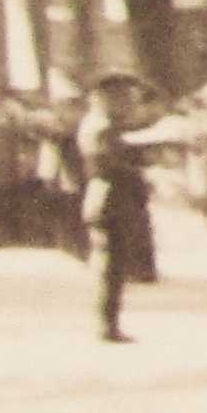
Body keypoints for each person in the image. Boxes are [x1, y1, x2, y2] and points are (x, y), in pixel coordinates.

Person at [84, 70, 158, 340]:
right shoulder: (103, 126)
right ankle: (107, 324)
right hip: (110, 196)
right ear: (109, 98)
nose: (129, 103)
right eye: (124, 97)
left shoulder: (101, 123)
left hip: (108, 195)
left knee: (113, 263)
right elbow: (112, 164)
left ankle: (108, 322)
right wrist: (142, 166)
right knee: (112, 265)